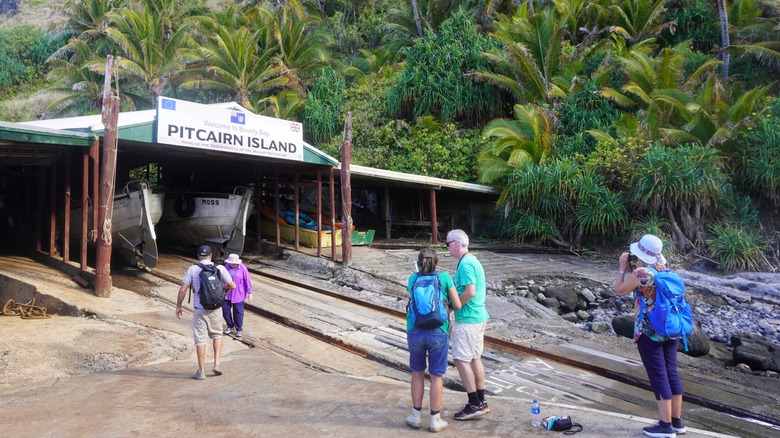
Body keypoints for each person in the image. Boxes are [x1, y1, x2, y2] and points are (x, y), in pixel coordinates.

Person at [614, 234, 686, 438]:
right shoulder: (665, 269)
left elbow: (619, 290)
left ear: (639, 253)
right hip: (670, 330)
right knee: (671, 372)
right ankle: (676, 421)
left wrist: (621, 267)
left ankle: (665, 426)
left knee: (658, 376)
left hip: (649, 332)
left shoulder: (642, 272)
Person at [405, 247, 460, 433]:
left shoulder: (412, 279)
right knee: (436, 375)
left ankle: (415, 416)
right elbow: (458, 304)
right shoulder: (444, 278)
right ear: (436, 263)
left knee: (417, 372)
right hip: (438, 330)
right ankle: (435, 419)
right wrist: (447, 307)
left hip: (415, 330)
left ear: (419, 263)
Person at [446, 229, 490, 421]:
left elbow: (470, 291)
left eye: (447, 244)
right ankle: (481, 401)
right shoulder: (471, 260)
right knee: (474, 358)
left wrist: (454, 307)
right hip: (478, 316)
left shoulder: (465, 264)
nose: (447, 248)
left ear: (456, 243)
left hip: (468, 319)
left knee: (460, 359)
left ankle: (474, 403)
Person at [176, 245, 236, 380]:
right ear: (211, 256)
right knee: (217, 335)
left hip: (200, 309)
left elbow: (183, 290)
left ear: (198, 256)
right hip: (215, 308)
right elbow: (233, 285)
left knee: (200, 340)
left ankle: (201, 371)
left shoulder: (193, 269)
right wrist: (222, 291)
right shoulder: (219, 268)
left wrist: (178, 306)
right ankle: (217, 364)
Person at [222, 253, 253, 337]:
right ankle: (230, 325)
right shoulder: (226, 267)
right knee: (225, 310)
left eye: (234, 263)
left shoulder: (242, 268)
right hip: (227, 293)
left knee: (238, 312)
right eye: (231, 263)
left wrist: (250, 293)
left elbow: (247, 280)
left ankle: (239, 328)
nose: (233, 264)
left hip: (239, 293)